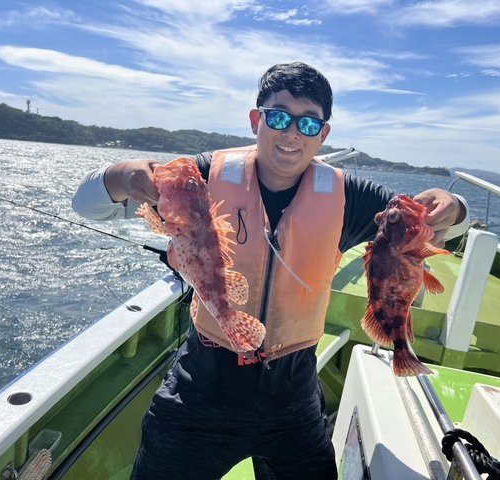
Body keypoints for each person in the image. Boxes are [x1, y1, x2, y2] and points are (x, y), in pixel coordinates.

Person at [72, 62, 469, 480]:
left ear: (323, 134)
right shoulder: (200, 177)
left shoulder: (348, 195)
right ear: (255, 120)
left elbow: (437, 233)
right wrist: (121, 177)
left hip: (293, 400)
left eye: (308, 123)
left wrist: (453, 207)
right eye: (278, 117)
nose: (292, 133)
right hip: (200, 390)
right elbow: (86, 205)